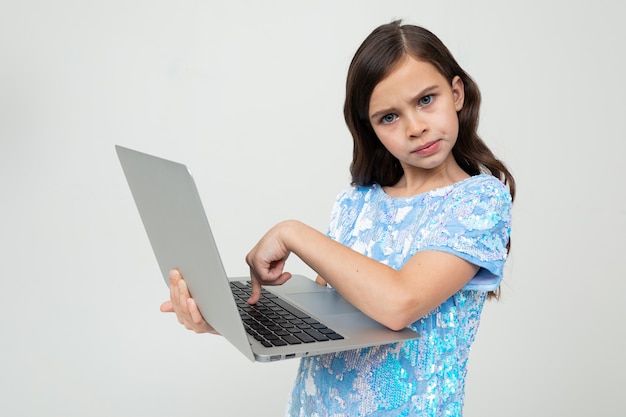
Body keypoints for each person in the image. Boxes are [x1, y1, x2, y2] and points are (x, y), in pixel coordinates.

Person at [161, 20, 515, 416]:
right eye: (389, 117)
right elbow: (331, 320)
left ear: (456, 93)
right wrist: (219, 317)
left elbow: (399, 302)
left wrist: (291, 232)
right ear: (372, 129)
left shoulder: (479, 201)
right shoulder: (356, 204)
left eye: (426, 100)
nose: (415, 127)